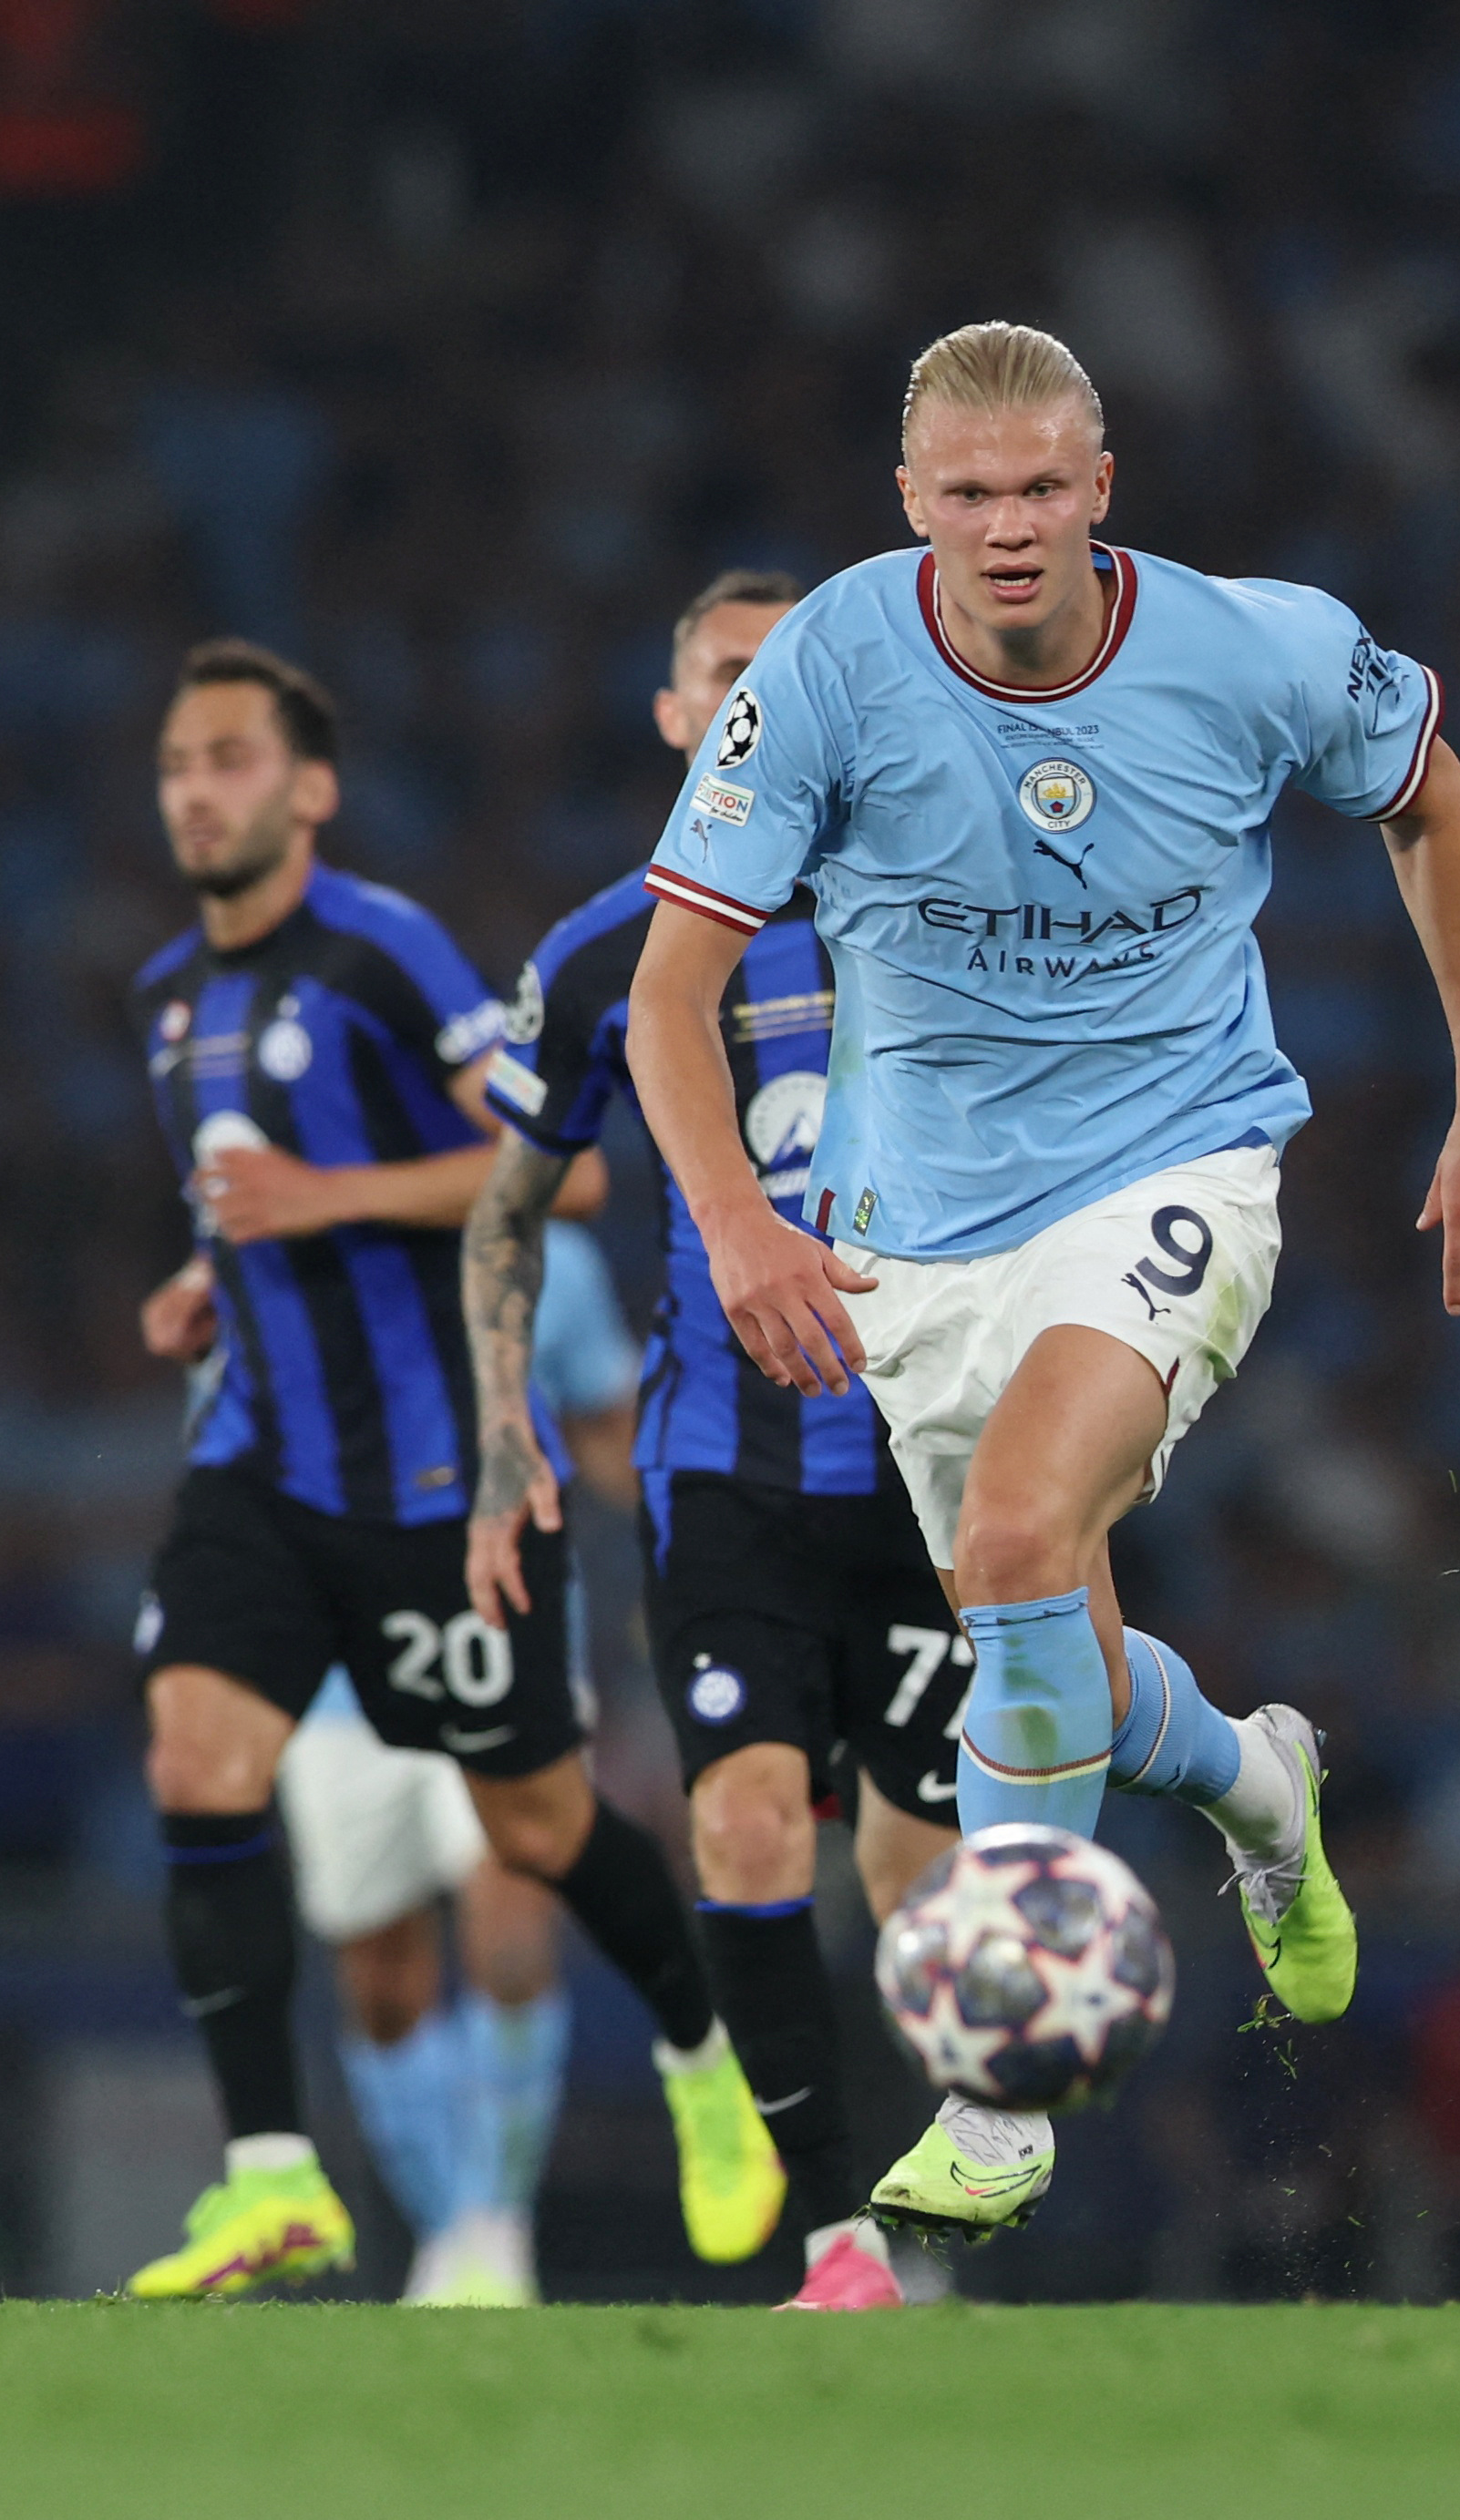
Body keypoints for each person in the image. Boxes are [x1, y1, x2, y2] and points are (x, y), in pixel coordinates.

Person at [617, 323, 1460, 2248]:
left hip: (1174, 1169)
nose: (1008, 525)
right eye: (968, 495)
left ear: (1100, 483)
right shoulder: (827, 669)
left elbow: (1428, 800)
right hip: (916, 1244)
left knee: (1028, 1529)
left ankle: (994, 2096)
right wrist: (735, 1223)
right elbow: (667, 997)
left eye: (1041, 486)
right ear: (909, 507)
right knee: (1045, 1641)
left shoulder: (1252, 645)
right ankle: (1253, 1783)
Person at [118, 637, 768, 2300]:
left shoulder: (385, 953)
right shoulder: (168, 1000)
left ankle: (703, 2054)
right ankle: (283, 2180)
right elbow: (255, 1201)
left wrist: (319, 1214)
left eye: (232, 760)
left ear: (309, 789)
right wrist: (219, 1279)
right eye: (178, 764)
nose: (199, 790)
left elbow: (550, 1179)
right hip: (265, 1469)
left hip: (434, 1486)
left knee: (535, 1836)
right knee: (205, 1768)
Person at [465, 568, 972, 2312]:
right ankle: (835, 2240)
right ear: (678, 714)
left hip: (935, 1476)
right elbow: (508, 1212)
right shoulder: (607, 951)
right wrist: (496, 1435)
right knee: (748, 1833)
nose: (755, 700)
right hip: (724, 1480)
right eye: (724, 673)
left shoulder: (945, 905)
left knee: (916, 1866)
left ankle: (949, 2216)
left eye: (790, 673)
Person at [271, 1216, 640, 2307]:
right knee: (380, 1980)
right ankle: (453, 2234)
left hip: (513, 1640)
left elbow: (612, 1432)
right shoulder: (296, 1253)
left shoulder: (553, 1259)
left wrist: (711, 1543)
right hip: (341, 1672)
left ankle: (496, 2220)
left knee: (515, 1926)